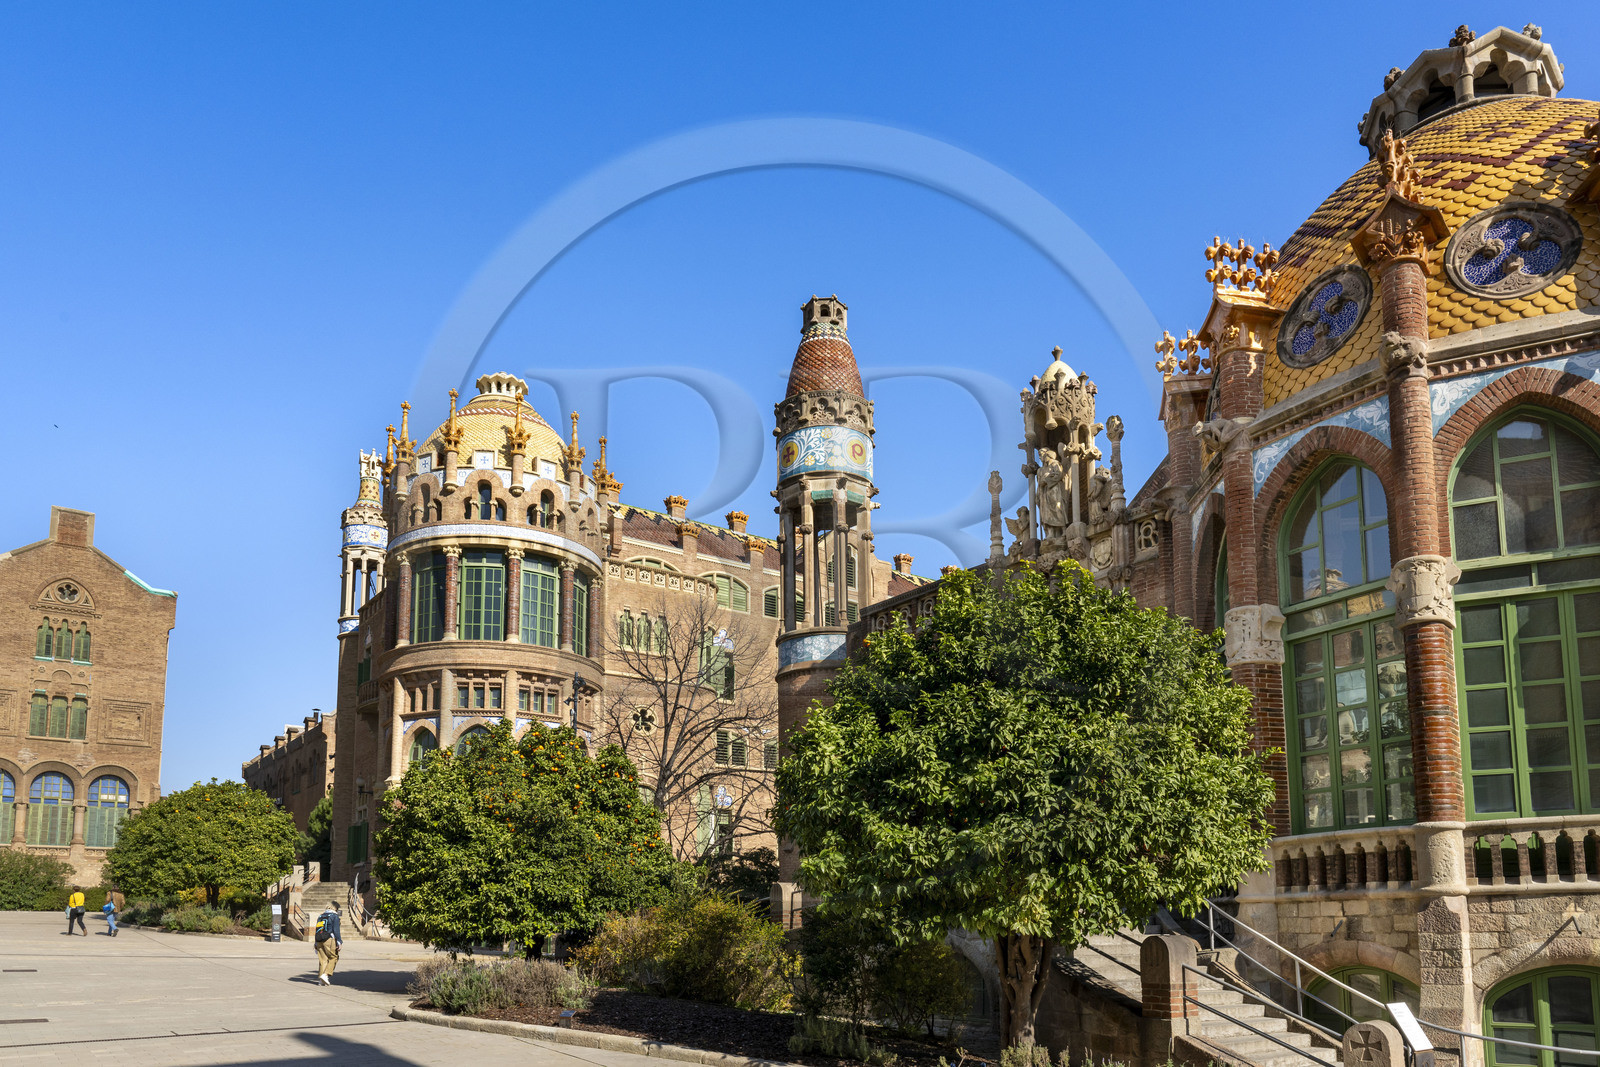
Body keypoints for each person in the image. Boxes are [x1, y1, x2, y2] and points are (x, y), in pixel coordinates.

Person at [313, 903, 342, 985]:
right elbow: (336, 930)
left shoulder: (321, 916)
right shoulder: (334, 916)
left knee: (323, 959)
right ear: (335, 908)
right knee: (334, 957)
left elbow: (317, 928)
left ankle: (321, 981)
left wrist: (315, 942)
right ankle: (325, 975)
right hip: (329, 939)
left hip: (319, 939)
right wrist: (339, 942)